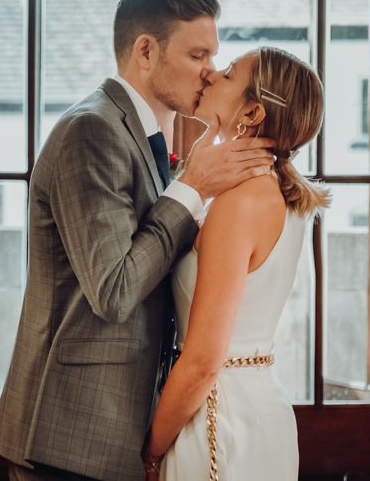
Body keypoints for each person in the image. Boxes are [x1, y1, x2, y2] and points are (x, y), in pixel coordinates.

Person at [0, 0, 276, 481]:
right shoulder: (92, 131)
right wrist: (190, 189)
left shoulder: (143, 137)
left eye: (214, 56)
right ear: (146, 50)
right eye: (198, 54)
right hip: (68, 436)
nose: (210, 72)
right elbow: (115, 291)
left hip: (112, 431)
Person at [142, 46, 330, 480]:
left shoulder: (239, 203)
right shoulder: (276, 193)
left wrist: (151, 451)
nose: (210, 76)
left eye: (227, 74)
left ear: (253, 112)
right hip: (257, 407)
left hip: (218, 419)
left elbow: (204, 360)